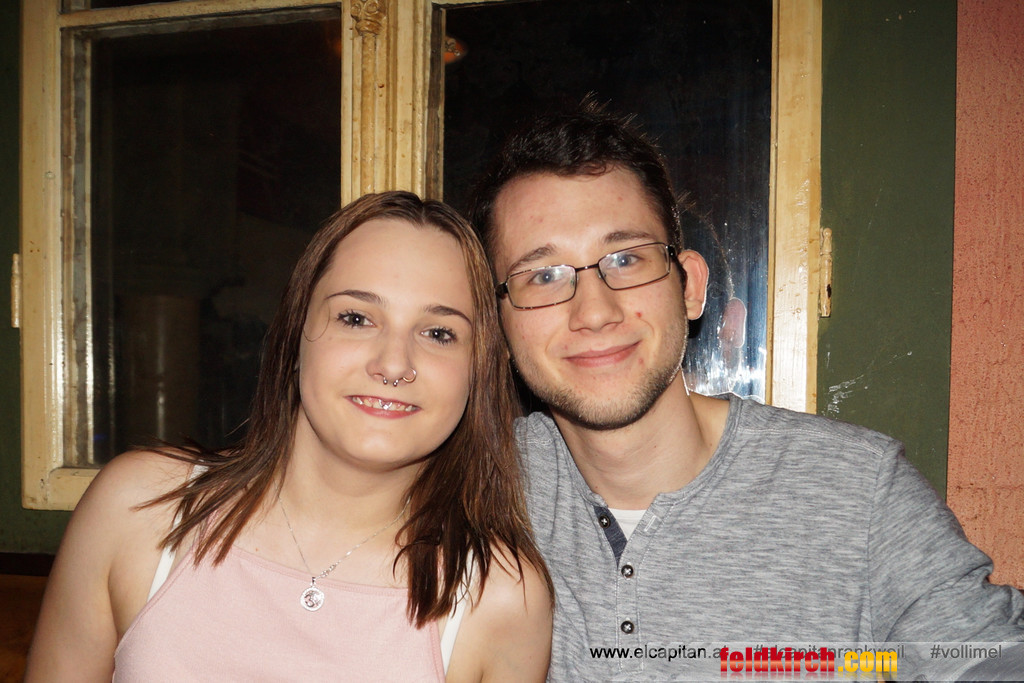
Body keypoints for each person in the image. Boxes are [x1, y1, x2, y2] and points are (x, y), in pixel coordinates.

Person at [468, 103, 1024, 680]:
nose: (594, 310)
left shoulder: (857, 491)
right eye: (543, 275)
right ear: (498, 326)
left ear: (690, 287)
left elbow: (985, 656)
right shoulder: (467, 490)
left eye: (627, 259)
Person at [26, 191, 553, 681]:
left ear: (478, 369)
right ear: (295, 333)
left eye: (439, 333)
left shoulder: (500, 598)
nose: (394, 364)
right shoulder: (138, 509)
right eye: (356, 318)